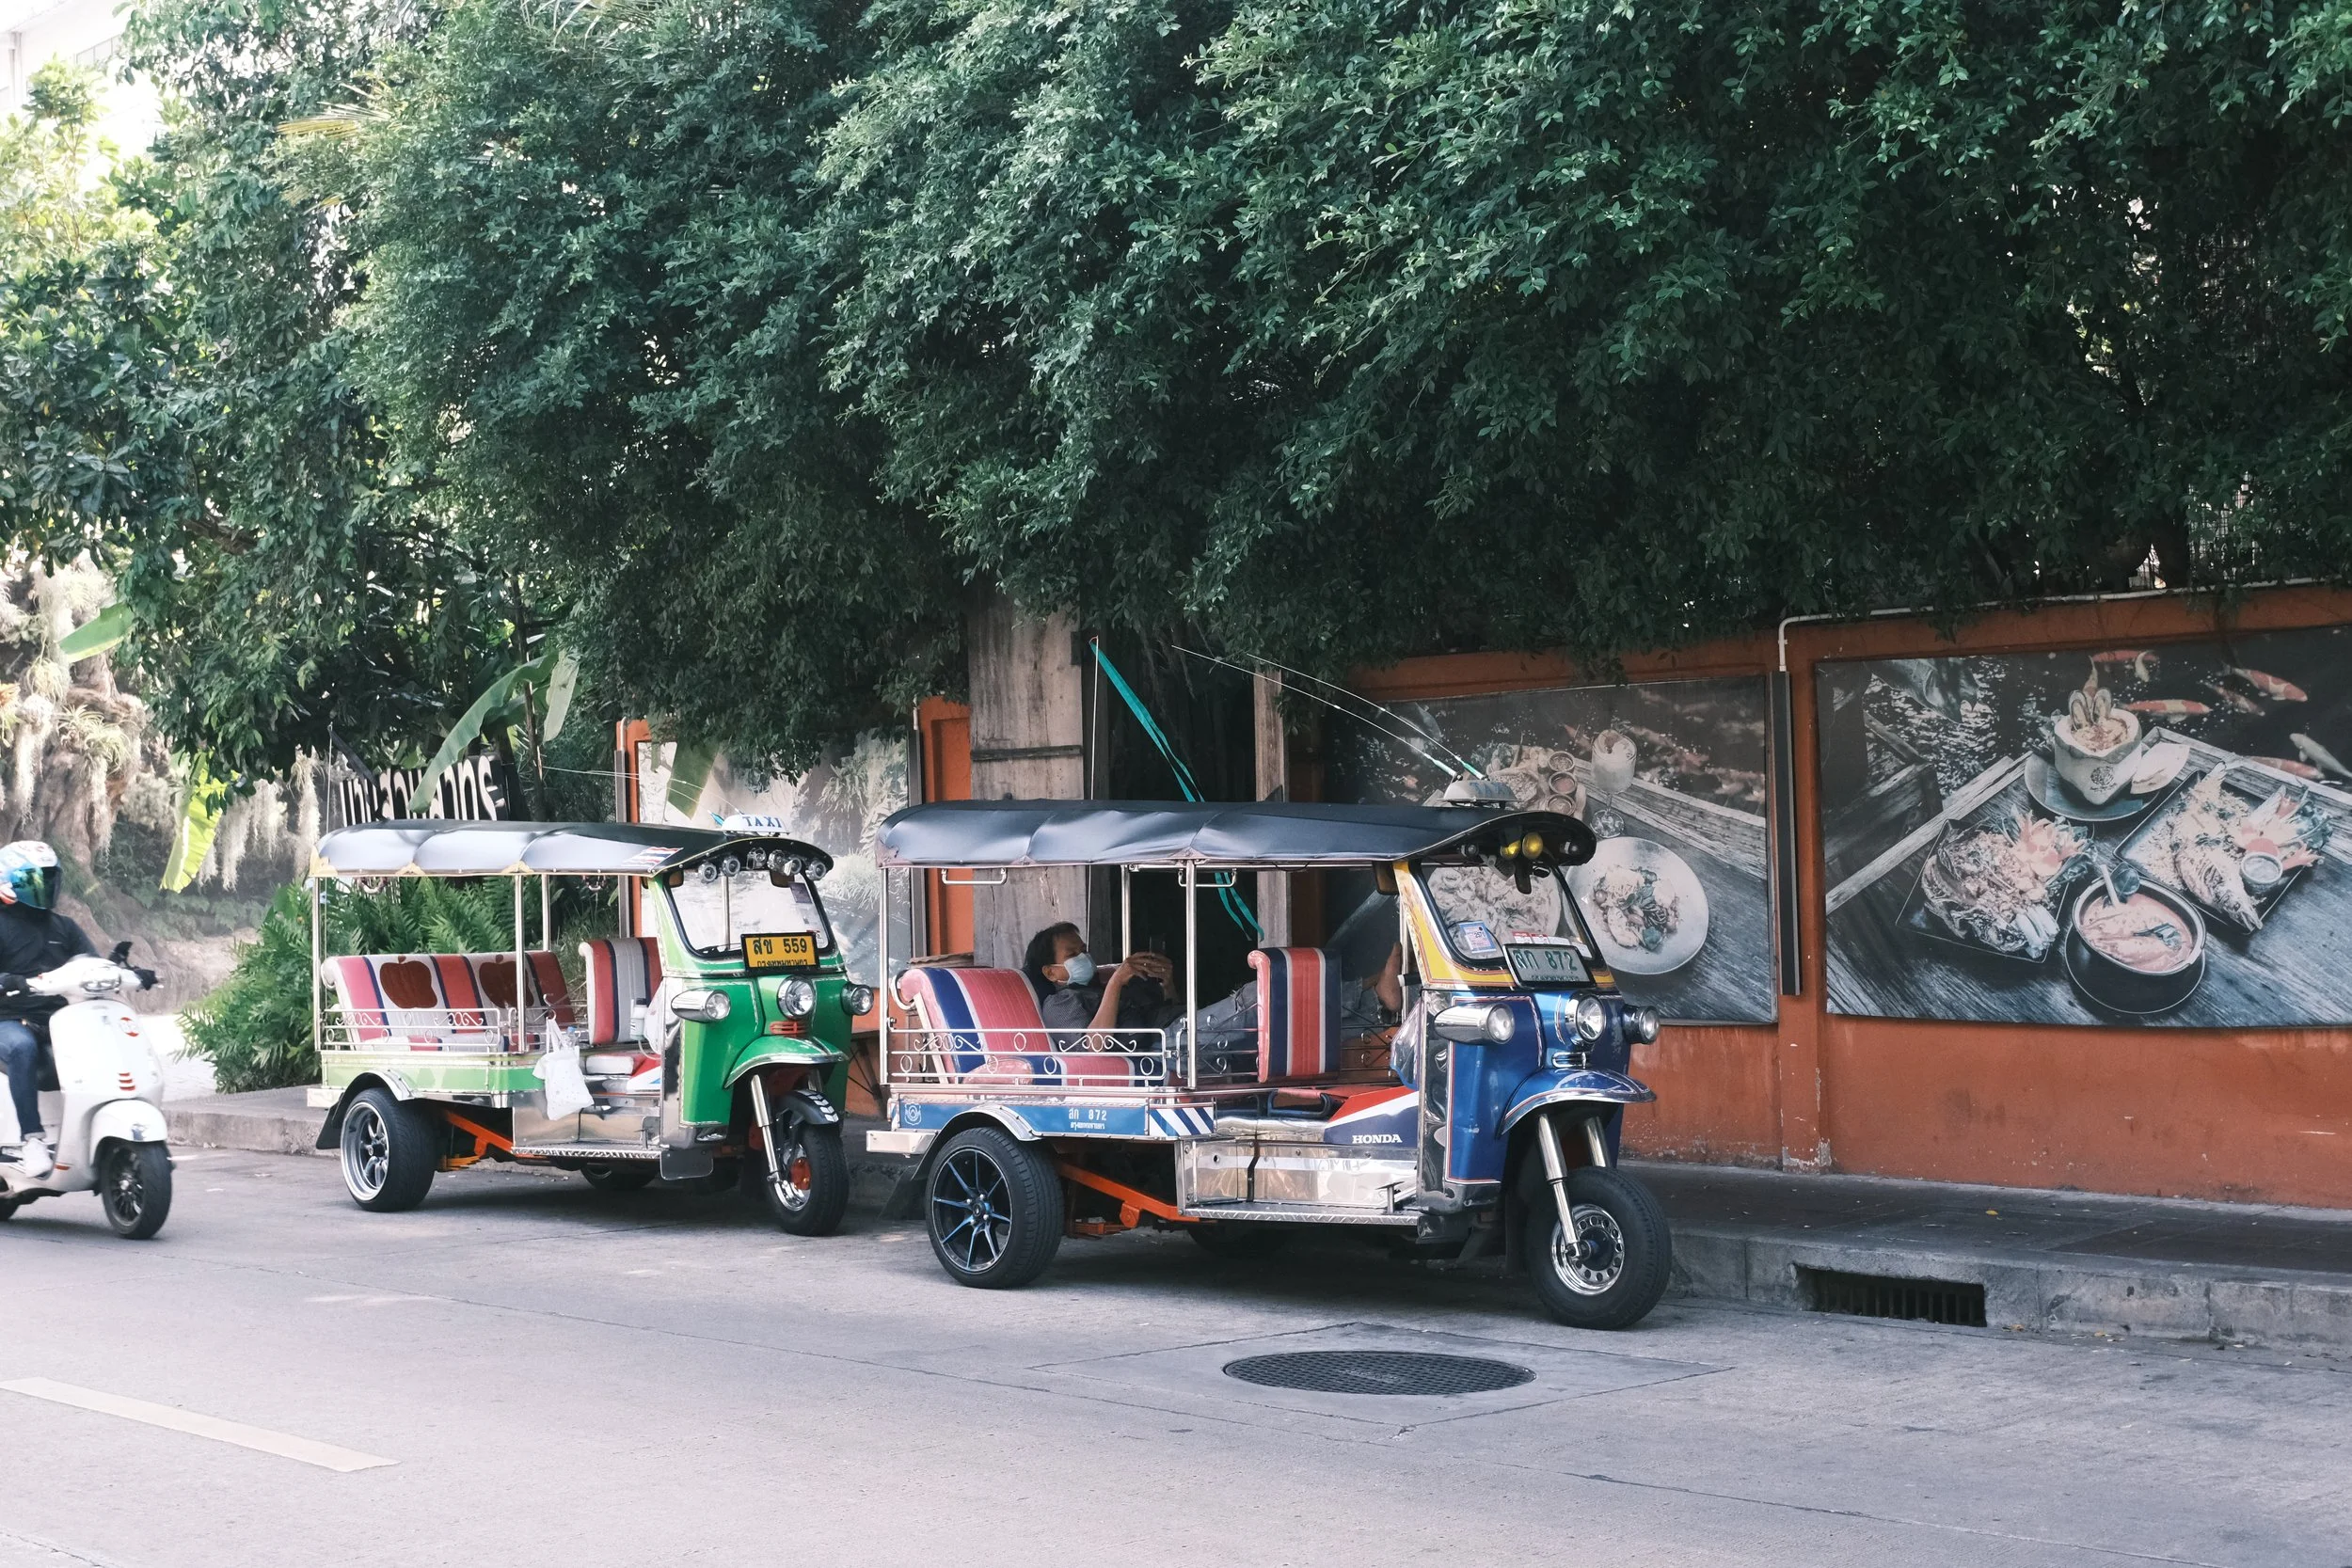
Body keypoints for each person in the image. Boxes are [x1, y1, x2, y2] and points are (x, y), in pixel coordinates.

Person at [0, 841, 95, 1178]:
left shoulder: (64, 927)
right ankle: (32, 1141)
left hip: (60, 1020)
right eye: (33, 880)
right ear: (9, 882)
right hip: (8, 1019)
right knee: (23, 1048)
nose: (45, 887)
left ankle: (90, 1131)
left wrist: (128, 973)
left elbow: (91, 964)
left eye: (49, 878)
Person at [1022, 922, 1175, 1037]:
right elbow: (1094, 1045)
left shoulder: (1099, 989)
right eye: (1072, 955)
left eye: (1084, 950)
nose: (1083, 957)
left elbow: (1166, 1010)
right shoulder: (1059, 1003)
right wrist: (1116, 982)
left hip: (1176, 1025)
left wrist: (1168, 985)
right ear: (1050, 973)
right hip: (1163, 1041)